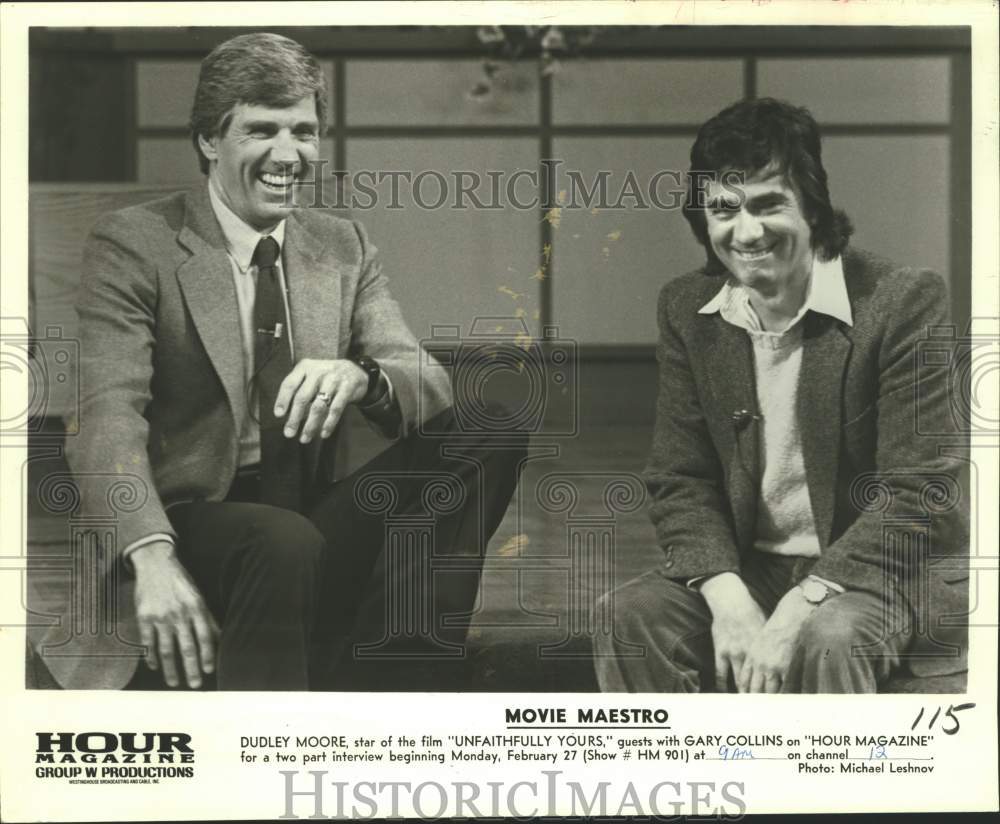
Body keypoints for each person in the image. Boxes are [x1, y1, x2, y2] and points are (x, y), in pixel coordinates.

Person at [61, 32, 525, 691]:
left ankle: (394, 677)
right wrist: (151, 557)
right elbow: (105, 414)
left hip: (306, 519)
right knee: (282, 541)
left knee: (489, 429)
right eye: (261, 129)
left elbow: (427, 384)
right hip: (192, 525)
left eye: (303, 130)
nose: (289, 154)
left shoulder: (341, 244)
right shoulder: (138, 242)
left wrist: (360, 377)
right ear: (208, 141)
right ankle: (259, 748)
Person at [593, 98, 968, 694]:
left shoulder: (902, 301)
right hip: (754, 565)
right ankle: (690, 785)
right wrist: (725, 593)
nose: (747, 232)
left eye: (770, 205)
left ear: (812, 210)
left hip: (877, 571)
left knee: (828, 637)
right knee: (633, 617)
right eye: (724, 210)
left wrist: (802, 605)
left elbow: (918, 491)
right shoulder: (687, 309)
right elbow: (679, 476)